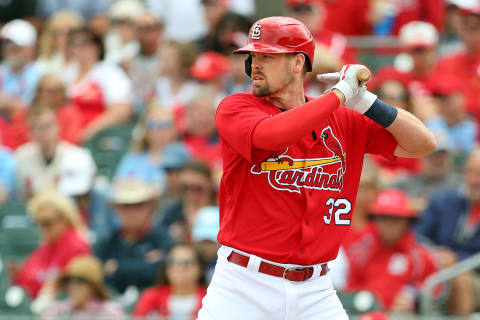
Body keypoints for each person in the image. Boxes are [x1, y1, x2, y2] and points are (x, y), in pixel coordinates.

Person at [197, 16, 435, 320]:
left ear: (298, 63)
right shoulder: (236, 108)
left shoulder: (344, 120)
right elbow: (272, 134)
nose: (255, 65)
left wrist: (365, 101)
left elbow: (422, 143)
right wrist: (338, 96)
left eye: (267, 57)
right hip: (243, 284)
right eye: (252, 56)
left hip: (316, 289)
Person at [345, 189, 440, 312]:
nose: (389, 224)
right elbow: (350, 293)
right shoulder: (360, 254)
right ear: (375, 220)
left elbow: (436, 290)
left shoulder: (421, 256)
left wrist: (415, 300)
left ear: (407, 222)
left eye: (396, 219)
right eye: (384, 218)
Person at [415, 148, 480, 314]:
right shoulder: (444, 200)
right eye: (471, 173)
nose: (474, 180)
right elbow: (418, 235)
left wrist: (456, 260)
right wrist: (434, 253)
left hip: (472, 275)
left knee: (459, 278)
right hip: (435, 266)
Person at [94, 178, 174, 294]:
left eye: (139, 205)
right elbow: (97, 274)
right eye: (126, 206)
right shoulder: (107, 243)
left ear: (151, 208)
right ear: (117, 209)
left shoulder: (163, 239)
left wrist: (117, 267)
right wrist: (144, 264)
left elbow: (161, 270)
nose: (132, 211)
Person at [9, 190, 90, 299]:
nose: (42, 229)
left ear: (65, 219)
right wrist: (16, 277)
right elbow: (26, 281)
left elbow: (71, 290)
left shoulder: (78, 247)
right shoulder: (45, 247)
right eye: (38, 223)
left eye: (47, 223)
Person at [62, 28, 133, 142]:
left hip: (97, 138)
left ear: (97, 47)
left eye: (84, 44)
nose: (79, 49)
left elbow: (122, 110)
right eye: (74, 44)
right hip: (67, 135)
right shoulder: (66, 73)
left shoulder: (109, 72)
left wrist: (89, 131)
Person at [14, 105, 96, 199]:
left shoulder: (77, 156)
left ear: (58, 126)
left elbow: (82, 198)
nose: (44, 132)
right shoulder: (22, 156)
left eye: (47, 125)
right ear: (30, 133)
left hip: (66, 210)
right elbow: (21, 195)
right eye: (37, 127)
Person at [115, 106, 190, 188]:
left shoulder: (183, 156)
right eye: (153, 125)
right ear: (145, 130)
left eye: (166, 124)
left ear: (175, 129)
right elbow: (119, 186)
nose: (160, 130)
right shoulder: (133, 158)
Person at [133, 243, 207, 319]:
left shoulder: (211, 298)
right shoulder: (150, 296)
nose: (178, 268)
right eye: (172, 261)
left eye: (186, 262)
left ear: (201, 268)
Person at [433, 0, 480, 119]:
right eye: (468, 26)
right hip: (453, 129)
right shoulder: (445, 63)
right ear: (460, 28)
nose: (473, 32)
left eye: (477, 26)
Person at [9, 73, 83, 148]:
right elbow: (17, 140)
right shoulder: (23, 114)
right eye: (50, 91)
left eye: (59, 91)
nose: (55, 95)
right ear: (38, 93)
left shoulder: (70, 113)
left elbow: (71, 141)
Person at [392, 131, 461, 211]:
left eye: (442, 156)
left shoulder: (460, 184)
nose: (437, 160)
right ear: (421, 158)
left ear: (450, 158)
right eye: (432, 155)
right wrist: (407, 204)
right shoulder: (405, 182)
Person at [42, 255, 125, 319]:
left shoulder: (110, 312)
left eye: (79, 280)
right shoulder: (58, 310)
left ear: (93, 286)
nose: (73, 286)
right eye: (69, 280)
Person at [159, 161, 217, 243]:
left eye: (197, 188)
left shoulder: (223, 212)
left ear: (210, 185)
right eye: (185, 188)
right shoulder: (172, 213)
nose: (190, 194)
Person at [0, 19, 42, 113]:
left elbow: (28, 108)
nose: (10, 47)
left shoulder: (39, 74)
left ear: (31, 48)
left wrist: (6, 103)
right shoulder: (3, 70)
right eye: (6, 43)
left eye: (16, 46)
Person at [127, 10, 164, 112]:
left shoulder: (169, 60)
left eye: (149, 28)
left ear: (159, 31)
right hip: (134, 109)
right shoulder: (126, 61)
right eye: (140, 29)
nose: (145, 33)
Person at [36, 10, 84, 75]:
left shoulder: (86, 63)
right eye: (61, 33)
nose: (67, 37)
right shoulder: (44, 63)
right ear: (53, 38)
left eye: (71, 32)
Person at [154, 40, 199, 109]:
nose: (163, 62)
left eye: (168, 57)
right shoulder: (160, 83)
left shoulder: (194, 87)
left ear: (182, 60)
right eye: (161, 57)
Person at [191, 206, 221, 283]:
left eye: (210, 242)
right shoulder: (190, 260)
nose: (206, 247)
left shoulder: (228, 265)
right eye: (203, 241)